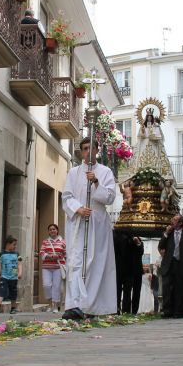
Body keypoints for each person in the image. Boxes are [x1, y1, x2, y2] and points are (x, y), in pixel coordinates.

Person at [61, 137, 118, 320]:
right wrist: (78, 209)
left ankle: (90, 305)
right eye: (84, 149)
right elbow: (66, 197)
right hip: (78, 222)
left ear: (96, 149)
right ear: (81, 152)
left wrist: (96, 183)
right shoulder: (74, 172)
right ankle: (73, 305)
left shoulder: (105, 171)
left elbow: (109, 198)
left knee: (94, 264)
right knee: (76, 262)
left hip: (97, 223)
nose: (87, 152)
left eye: (90, 148)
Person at [157, 213, 183, 318]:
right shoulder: (168, 234)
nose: (172, 221)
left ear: (180, 223)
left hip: (181, 264)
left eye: (175, 220)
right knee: (166, 287)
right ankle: (167, 311)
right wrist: (166, 233)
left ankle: (178, 311)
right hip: (169, 264)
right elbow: (160, 245)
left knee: (180, 289)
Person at [39, 223, 66, 313]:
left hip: (58, 267)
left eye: (54, 229)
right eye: (50, 229)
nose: (52, 231)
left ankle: (55, 306)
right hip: (47, 267)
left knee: (56, 287)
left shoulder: (63, 241)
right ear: (48, 232)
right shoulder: (45, 242)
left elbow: (66, 254)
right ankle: (49, 304)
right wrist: (49, 256)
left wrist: (58, 255)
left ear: (57, 230)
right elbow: (42, 252)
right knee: (46, 285)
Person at [0, 236, 23, 314]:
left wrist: (20, 273)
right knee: (2, 289)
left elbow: (19, 264)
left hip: (13, 277)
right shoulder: (1, 254)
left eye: (15, 245)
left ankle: (13, 307)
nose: (15, 246)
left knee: (13, 292)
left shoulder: (17, 254)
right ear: (8, 244)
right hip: (4, 276)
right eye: (14, 244)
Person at [119, 236, 144, 315]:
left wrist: (138, 243)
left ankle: (134, 311)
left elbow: (141, 251)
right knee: (127, 292)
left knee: (137, 292)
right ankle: (126, 311)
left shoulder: (139, 241)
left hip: (138, 271)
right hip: (128, 270)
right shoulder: (125, 240)